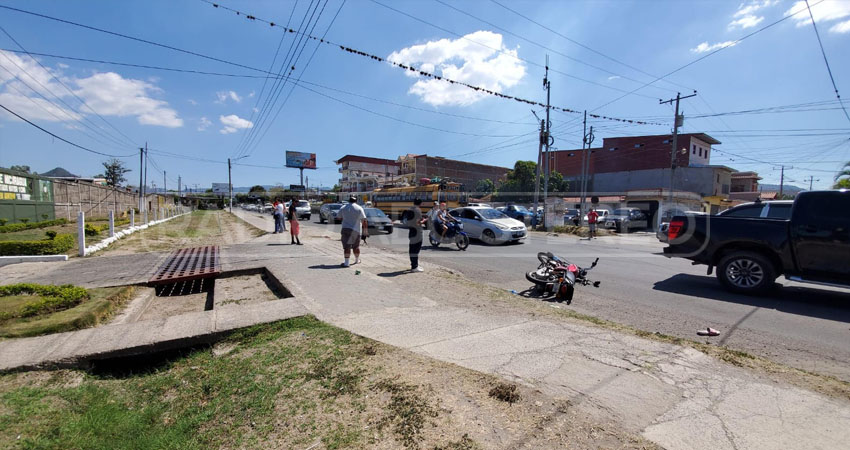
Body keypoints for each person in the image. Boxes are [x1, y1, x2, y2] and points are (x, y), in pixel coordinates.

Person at [339, 195, 368, 267]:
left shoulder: (343, 207)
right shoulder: (359, 208)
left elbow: (339, 218)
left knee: (346, 247)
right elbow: (364, 221)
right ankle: (356, 260)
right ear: (356, 201)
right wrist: (365, 231)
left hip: (345, 229)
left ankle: (346, 263)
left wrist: (346, 219)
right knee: (356, 247)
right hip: (356, 230)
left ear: (349, 200)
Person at [402, 198, 427, 272]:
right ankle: (415, 267)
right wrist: (424, 220)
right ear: (420, 203)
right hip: (417, 232)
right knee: (416, 249)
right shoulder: (418, 210)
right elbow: (418, 222)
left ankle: (413, 265)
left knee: (412, 249)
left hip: (411, 231)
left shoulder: (410, 210)